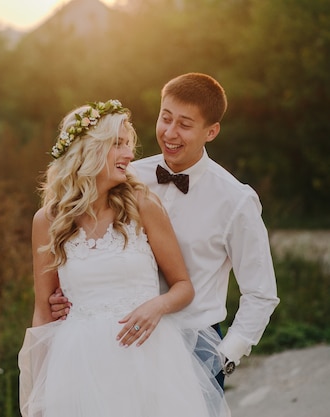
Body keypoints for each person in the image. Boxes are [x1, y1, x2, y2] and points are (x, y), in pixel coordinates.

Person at [49, 73, 280, 388]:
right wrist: (73, 292)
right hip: (121, 345)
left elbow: (261, 293)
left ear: (211, 131)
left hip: (196, 343)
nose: (170, 133)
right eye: (165, 118)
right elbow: (86, 237)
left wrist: (224, 357)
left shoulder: (236, 201)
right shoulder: (126, 175)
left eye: (184, 125)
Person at [18, 99, 229, 417]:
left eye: (128, 145)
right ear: (89, 149)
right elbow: (43, 311)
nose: (130, 155)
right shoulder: (47, 220)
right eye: (118, 144)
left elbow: (183, 285)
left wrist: (156, 306)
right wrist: (40, 392)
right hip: (79, 367)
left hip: (150, 358)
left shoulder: (143, 204)